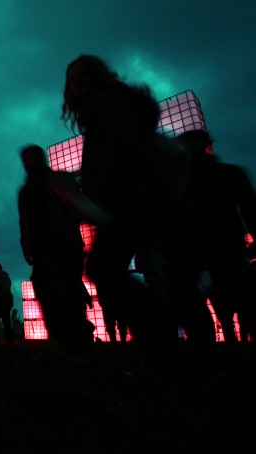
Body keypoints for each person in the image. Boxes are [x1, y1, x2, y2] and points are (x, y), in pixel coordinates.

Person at [61, 55, 184, 364]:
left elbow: (123, 145)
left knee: (104, 267)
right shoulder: (108, 102)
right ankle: (162, 337)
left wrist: (94, 184)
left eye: (81, 75)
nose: (75, 82)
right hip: (138, 196)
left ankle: (162, 336)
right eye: (71, 79)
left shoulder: (106, 101)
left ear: (96, 75)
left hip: (131, 198)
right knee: (108, 267)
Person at [171, 129, 256, 344]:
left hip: (219, 250)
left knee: (234, 298)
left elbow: (251, 211)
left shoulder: (226, 176)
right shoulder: (228, 175)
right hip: (204, 251)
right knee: (221, 300)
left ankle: (217, 348)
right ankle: (218, 346)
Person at [17, 144, 94, 351]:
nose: (27, 163)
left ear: (41, 159)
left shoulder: (59, 180)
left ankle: (79, 337)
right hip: (44, 249)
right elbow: (24, 221)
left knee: (66, 292)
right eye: (24, 159)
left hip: (65, 244)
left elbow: (77, 206)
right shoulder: (26, 191)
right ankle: (64, 337)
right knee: (46, 290)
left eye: (31, 158)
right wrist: (27, 245)